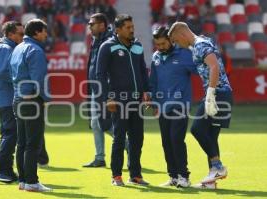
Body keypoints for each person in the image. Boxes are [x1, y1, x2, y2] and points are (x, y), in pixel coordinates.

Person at [168, 22, 233, 189]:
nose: (177, 45)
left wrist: (211, 94)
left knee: (197, 129)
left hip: (217, 93)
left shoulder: (200, 44)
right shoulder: (202, 42)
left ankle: (217, 167)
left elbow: (214, 66)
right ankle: (211, 180)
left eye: (176, 40)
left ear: (182, 35)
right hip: (221, 92)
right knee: (211, 135)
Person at [96, 14, 149, 186]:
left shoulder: (138, 46)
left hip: (136, 101)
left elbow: (142, 71)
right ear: (117, 30)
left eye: (132, 26)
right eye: (128, 27)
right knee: (119, 138)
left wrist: (147, 92)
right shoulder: (107, 47)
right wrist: (108, 98)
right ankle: (116, 175)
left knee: (137, 139)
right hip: (118, 101)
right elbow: (100, 75)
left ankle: (135, 175)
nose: (132, 29)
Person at [149, 26, 197, 188]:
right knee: (166, 141)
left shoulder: (184, 54)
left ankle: (184, 176)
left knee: (176, 139)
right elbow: (153, 82)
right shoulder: (155, 57)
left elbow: (200, 70)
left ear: (170, 39)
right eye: (157, 44)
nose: (160, 47)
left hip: (180, 104)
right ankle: (173, 176)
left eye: (163, 43)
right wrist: (154, 102)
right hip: (162, 106)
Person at [10, 19, 52, 192]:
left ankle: (23, 181)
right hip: (31, 100)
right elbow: (39, 79)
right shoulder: (35, 50)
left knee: (21, 142)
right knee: (33, 143)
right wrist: (45, 100)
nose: (46, 34)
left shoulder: (17, 48)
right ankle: (32, 182)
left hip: (18, 99)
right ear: (36, 32)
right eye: (44, 31)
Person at [0, 21, 24, 183]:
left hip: (5, 96)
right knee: (11, 133)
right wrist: (22, 80)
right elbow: (2, 72)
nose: (23, 37)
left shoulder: (6, 47)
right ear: (10, 34)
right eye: (20, 34)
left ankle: (6, 169)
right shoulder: (5, 48)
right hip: (7, 96)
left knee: (9, 133)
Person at [83, 13, 113, 168]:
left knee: (105, 124)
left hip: (106, 89)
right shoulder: (96, 40)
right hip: (96, 88)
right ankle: (100, 158)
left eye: (92, 23)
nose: (89, 26)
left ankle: (129, 147)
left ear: (102, 25)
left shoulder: (109, 41)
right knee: (96, 123)